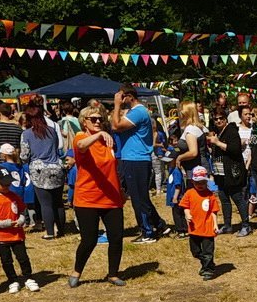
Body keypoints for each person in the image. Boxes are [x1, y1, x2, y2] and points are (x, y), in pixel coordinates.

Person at [69, 106, 127, 289]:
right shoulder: (81, 137)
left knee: (116, 237)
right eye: (92, 119)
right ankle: (76, 271)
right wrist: (99, 135)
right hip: (87, 198)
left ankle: (113, 273)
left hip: (111, 198)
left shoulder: (107, 141)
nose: (97, 122)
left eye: (99, 119)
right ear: (83, 121)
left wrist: (121, 192)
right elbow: (81, 146)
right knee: (89, 239)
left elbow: (112, 169)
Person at [111, 84, 169, 245]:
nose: (119, 100)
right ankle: (159, 224)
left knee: (138, 198)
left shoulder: (138, 112)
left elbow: (116, 126)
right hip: (134, 158)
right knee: (142, 196)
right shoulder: (134, 112)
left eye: (121, 97)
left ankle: (147, 231)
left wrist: (117, 106)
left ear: (129, 96)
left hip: (136, 159)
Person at [0, 166, 38, 294]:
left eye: (9, 183)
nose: (7, 186)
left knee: (23, 257)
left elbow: (22, 210)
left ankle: (28, 277)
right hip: (1, 237)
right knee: (6, 260)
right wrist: (3, 224)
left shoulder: (13, 195)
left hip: (17, 235)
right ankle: (12, 280)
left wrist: (21, 220)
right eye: (4, 184)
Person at [21, 103, 67, 241]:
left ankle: (50, 232)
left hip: (39, 170)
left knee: (45, 204)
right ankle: (61, 229)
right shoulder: (52, 131)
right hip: (57, 167)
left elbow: (24, 155)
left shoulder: (26, 134)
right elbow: (58, 147)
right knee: (58, 202)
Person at [206, 110, 251, 236]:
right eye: (216, 119)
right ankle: (227, 225)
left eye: (221, 118)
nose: (219, 120)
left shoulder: (231, 131)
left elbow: (235, 149)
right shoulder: (218, 132)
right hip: (220, 172)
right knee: (224, 198)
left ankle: (246, 225)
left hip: (232, 172)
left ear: (226, 119)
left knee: (237, 198)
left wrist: (217, 143)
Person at [180, 166, 221, 280]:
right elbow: (185, 206)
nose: (200, 185)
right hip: (194, 228)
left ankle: (208, 270)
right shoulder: (189, 193)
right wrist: (187, 214)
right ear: (192, 181)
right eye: (198, 182)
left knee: (208, 251)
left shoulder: (210, 195)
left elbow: (213, 212)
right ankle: (207, 263)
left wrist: (215, 225)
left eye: (203, 182)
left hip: (207, 228)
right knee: (195, 251)